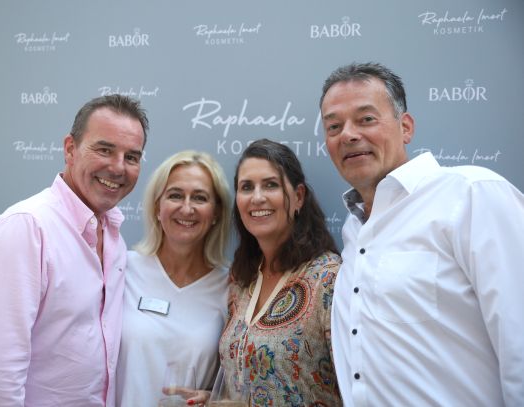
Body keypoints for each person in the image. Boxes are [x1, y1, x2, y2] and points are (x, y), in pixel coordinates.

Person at [320, 62, 524, 406]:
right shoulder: (354, 231)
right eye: (334, 126)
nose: (348, 135)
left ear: (406, 127)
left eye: (366, 119)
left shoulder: (471, 194)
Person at [0, 94, 148, 406]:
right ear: (70, 149)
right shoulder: (25, 229)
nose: (118, 167)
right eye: (104, 150)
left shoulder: (114, 237)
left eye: (132, 157)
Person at [219, 139, 342, 406]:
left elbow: (357, 387)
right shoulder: (241, 281)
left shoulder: (328, 279)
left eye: (270, 185)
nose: (257, 197)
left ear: (298, 197)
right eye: (246, 187)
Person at [115, 150, 232, 407]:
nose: (187, 208)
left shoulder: (231, 289)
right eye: (175, 195)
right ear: (158, 207)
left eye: (200, 197)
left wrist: (213, 398)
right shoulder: (122, 269)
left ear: (216, 213)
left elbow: (238, 381)